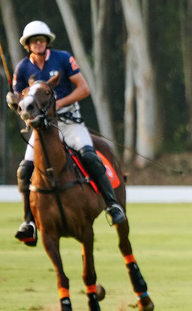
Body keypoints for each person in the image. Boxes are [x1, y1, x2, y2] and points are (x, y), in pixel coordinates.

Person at [7, 20, 125, 246]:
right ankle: (29, 222)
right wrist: (13, 100)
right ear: (28, 45)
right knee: (24, 169)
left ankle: (112, 204)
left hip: (69, 122)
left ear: (47, 42)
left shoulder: (62, 58)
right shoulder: (22, 67)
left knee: (89, 155)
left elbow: (83, 88)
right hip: (42, 128)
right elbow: (18, 97)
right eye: (34, 40)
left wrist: (57, 104)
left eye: (42, 39)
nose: (39, 43)